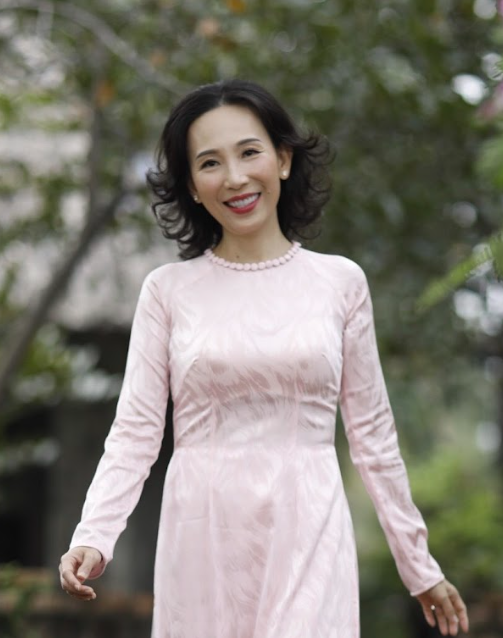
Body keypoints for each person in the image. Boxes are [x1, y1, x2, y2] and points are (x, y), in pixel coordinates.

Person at [59, 79, 469, 637]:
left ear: (282, 159)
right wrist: (94, 534)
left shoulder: (340, 283)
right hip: (202, 535)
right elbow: (135, 432)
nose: (234, 178)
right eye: (210, 163)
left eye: (249, 152)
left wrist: (418, 565)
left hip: (309, 528)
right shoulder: (167, 291)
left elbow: (373, 438)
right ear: (192, 186)